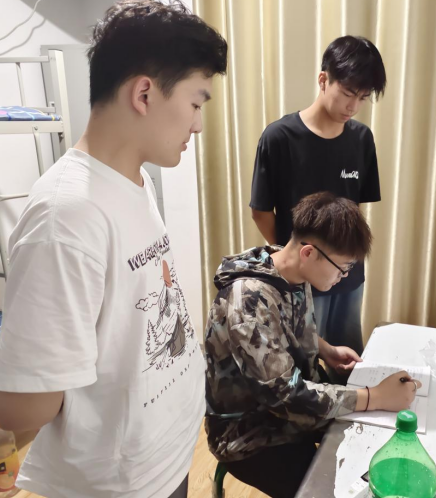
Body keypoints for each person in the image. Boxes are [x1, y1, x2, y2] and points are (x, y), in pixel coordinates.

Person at [0, 2, 227, 497]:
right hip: (122, 483)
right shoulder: (65, 215)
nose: (198, 125)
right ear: (144, 93)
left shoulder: (132, 182)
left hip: (164, 454)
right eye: (196, 103)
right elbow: (26, 404)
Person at [205, 192, 421, 498]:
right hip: (250, 434)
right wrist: (375, 396)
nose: (343, 277)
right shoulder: (248, 301)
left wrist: (324, 349)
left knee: (376, 439)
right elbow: (286, 396)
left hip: (288, 407)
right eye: (342, 268)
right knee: (334, 486)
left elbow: (280, 329)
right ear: (308, 252)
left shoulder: (290, 270)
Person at [249, 36, 387, 381]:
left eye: (363, 97)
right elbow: (261, 211)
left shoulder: (361, 140)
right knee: (302, 367)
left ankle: (352, 413)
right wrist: (298, 258)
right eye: (347, 93)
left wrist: (340, 265)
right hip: (300, 278)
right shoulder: (279, 138)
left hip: (348, 278)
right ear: (323, 79)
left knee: (347, 364)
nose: (353, 106)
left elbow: (355, 212)